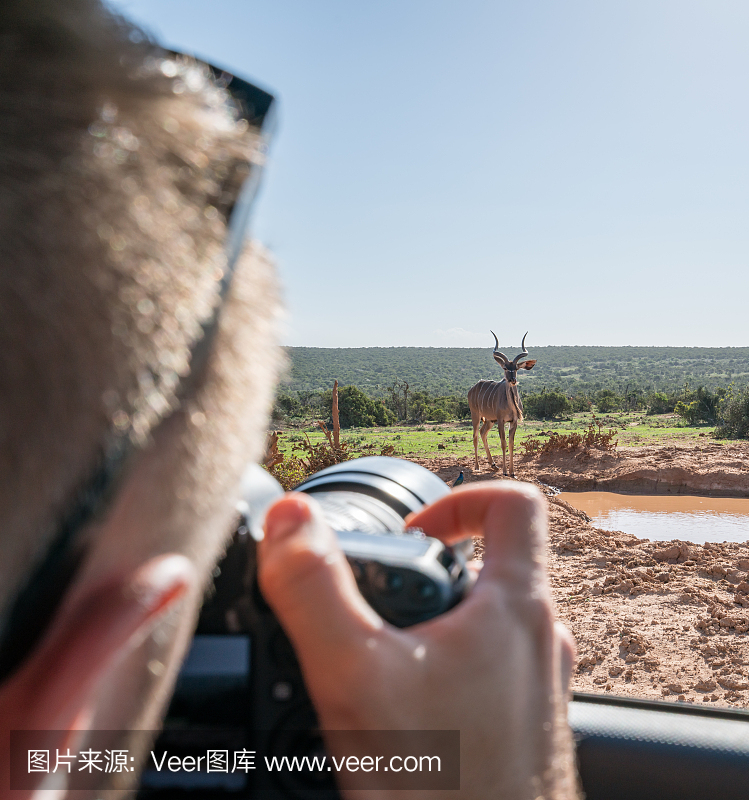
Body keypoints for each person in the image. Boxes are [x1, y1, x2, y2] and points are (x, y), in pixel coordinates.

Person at [0, 1, 578, 797]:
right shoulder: (482, 398)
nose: (507, 385)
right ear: (71, 707)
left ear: (522, 375)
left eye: (514, 378)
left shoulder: (510, 389)